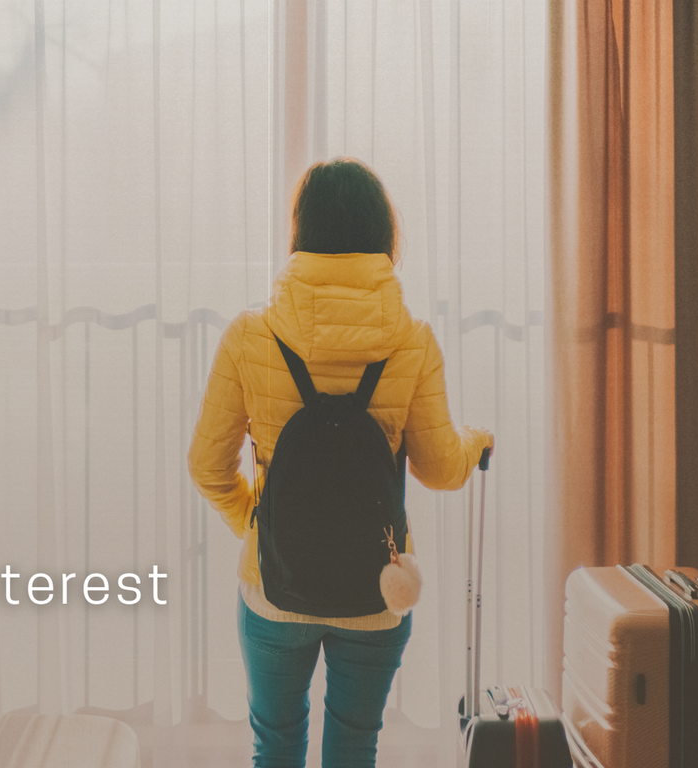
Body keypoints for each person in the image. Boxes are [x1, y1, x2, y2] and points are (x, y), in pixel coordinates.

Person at [188, 158, 493, 768]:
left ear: (301, 233)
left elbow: (207, 465)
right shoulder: (414, 342)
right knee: (355, 745)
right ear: (384, 238)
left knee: (274, 743)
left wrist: (256, 518)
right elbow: (438, 468)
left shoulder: (251, 336)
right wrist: (475, 441)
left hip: (274, 584)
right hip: (377, 588)